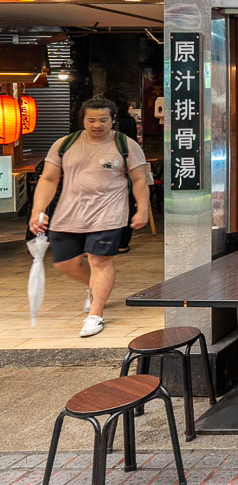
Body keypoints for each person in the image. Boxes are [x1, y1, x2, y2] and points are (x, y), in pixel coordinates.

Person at [27, 97, 151, 338]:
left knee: (99, 261)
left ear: (113, 120)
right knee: (66, 263)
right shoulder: (65, 144)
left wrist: (142, 208)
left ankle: (96, 314)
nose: (97, 125)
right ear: (82, 120)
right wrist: (37, 211)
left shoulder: (125, 144)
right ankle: (94, 287)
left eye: (103, 120)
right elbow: (49, 179)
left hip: (109, 212)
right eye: (91, 120)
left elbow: (139, 179)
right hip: (68, 213)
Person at [104, 91, 140, 253]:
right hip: (125, 166)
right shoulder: (129, 121)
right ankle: (122, 243)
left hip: (102, 168)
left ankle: (103, 242)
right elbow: (133, 143)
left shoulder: (102, 122)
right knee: (126, 203)